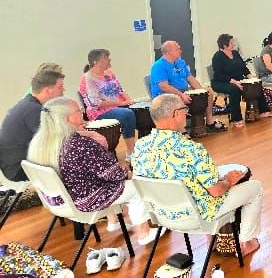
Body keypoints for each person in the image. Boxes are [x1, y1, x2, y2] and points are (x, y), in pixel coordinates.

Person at [131, 94, 262, 257]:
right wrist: (228, 180)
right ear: (175, 114)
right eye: (184, 109)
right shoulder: (192, 149)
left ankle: (212, 241)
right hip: (196, 217)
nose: (186, 113)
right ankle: (246, 242)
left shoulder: (140, 147)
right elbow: (216, 191)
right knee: (254, 188)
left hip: (162, 215)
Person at [26, 97, 159, 251]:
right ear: (67, 118)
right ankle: (144, 233)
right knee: (137, 186)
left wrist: (90, 136)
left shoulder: (39, 142)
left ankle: (113, 221)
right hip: (84, 200)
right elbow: (112, 173)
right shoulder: (80, 144)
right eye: (78, 111)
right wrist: (128, 172)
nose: (82, 112)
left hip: (59, 201)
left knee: (96, 179)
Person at [0, 69, 65, 182]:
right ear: (47, 90)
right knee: (74, 159)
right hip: (19, 167)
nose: (63, 90)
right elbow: (56, 139)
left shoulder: (28, 104)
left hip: (14, 163)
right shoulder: (33, 110)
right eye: (60, 87)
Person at [150, 41, 226, 136]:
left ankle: (210, 123)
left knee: (208, 93)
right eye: (177, 49)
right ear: (168, 52)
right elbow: (163, 86)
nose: (180, 51)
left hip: (183, 92)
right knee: (178, 100)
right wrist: (181, 95)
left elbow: (190, 78)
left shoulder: (180, 62)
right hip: (165, 96)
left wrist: (202, 91)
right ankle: (182, 131)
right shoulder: (158, 66)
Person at [79, 49, 137, 160]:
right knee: (127, 114)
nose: (109, 59)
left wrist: (130, 101)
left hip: (117, 106)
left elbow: (120, 90)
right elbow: (96, 104)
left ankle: (139, 147)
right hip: (99, 112)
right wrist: (122, 103)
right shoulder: (88, 78)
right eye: (106, 58)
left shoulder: (109, 73)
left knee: (137, 109)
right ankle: (131, 151)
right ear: (96, 62)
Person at [211, 34, 270, 128]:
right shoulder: (218, 56)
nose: (234, 44)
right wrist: (234, 82)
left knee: (256, 84)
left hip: (238, 80)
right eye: (231, 42)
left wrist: (251, 77)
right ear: (225, 45)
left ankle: (263, 110)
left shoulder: (235, 53)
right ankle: (236, 118)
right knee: (235, 89)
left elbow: (243, 67)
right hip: (221, 82)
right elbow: (218, 75)